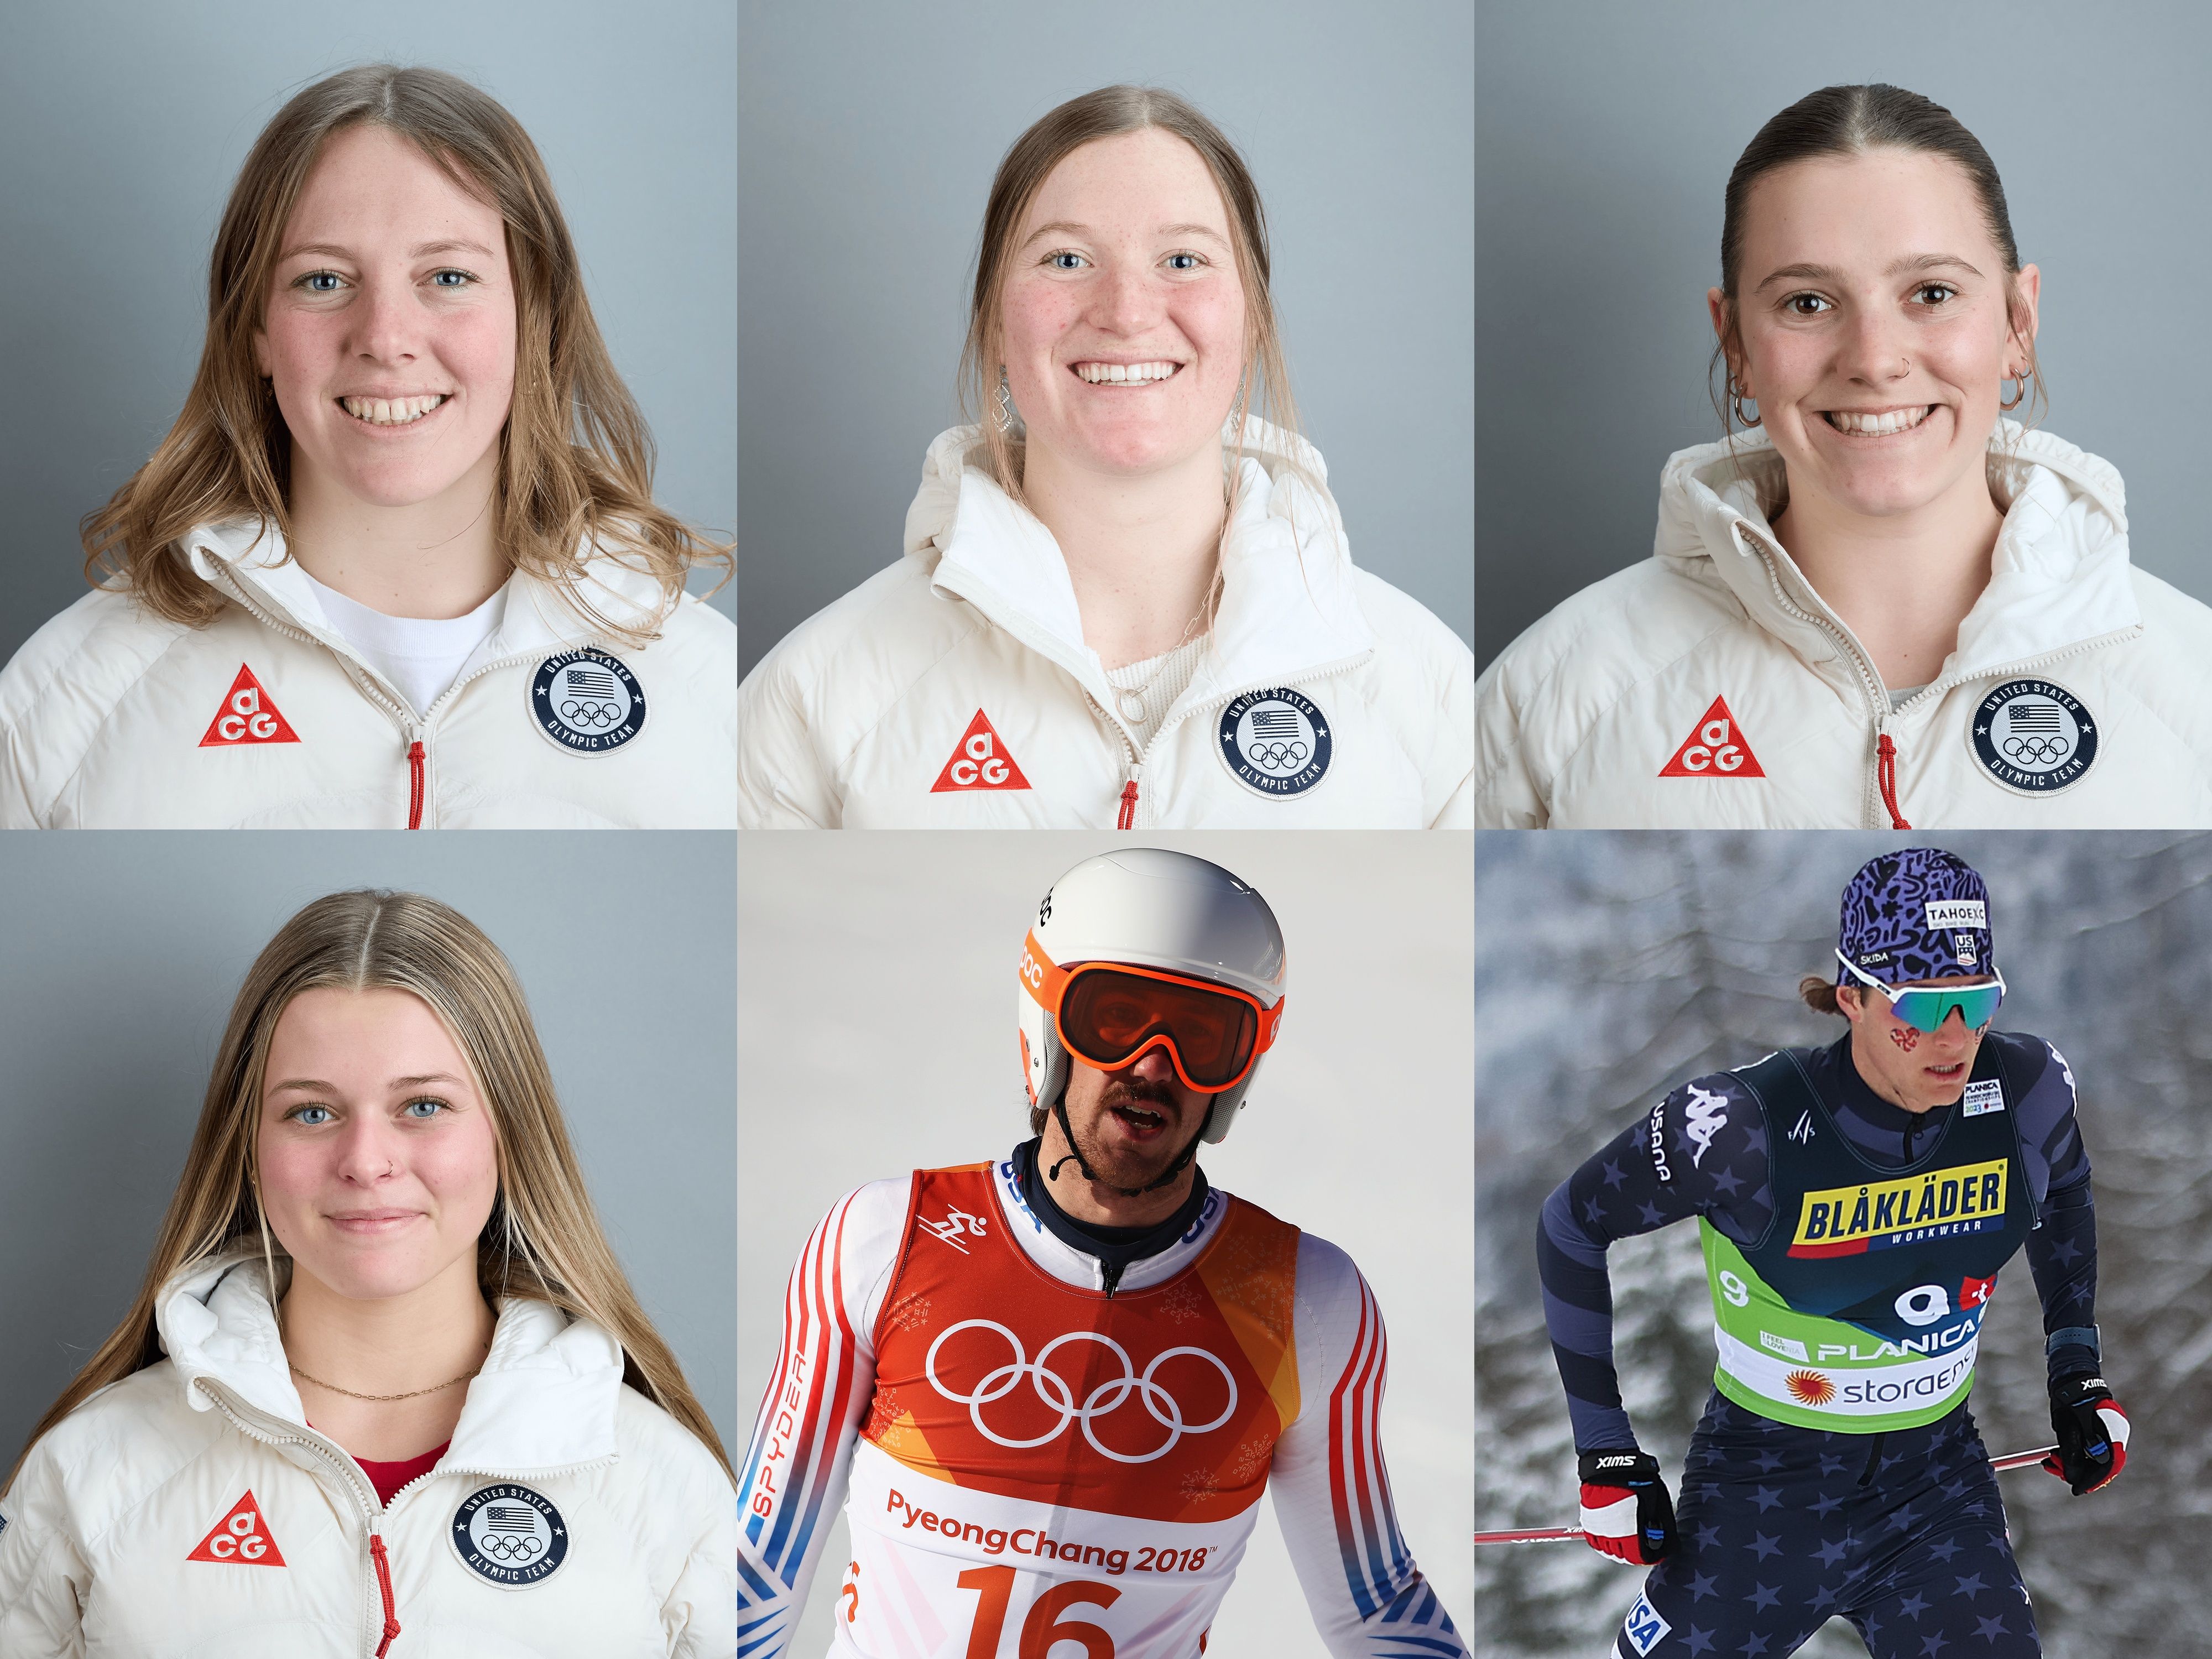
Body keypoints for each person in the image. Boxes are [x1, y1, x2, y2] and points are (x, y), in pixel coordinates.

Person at [737, 848, 1466, 1656]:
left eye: (1203, 1035)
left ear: (1239, 1072)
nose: (1155, 1065)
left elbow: (1377, 1607)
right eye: (1115, 1018)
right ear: (1046, 1027)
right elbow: (757, 1567)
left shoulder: (1304, 1302)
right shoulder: (887, 1240)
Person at [0, 65, 735, 828]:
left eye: (448, 276)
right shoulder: (63, 707)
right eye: (323, 281)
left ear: (536, 321)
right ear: (256, 330)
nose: (385, 339)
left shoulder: (711, 694)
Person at [0, 890, 734, 1655]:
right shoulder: (86, 1476)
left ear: (508, 1134)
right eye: (312, 1113)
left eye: (422, 1106)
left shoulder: (664, 1485)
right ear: (247, 1144)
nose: (365, 1162)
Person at [1473, 84, 2212, 828]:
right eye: (1808, 303)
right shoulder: (1555, 690)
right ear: (1735, 344)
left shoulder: (2191, 689)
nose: (1875, 360)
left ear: (2018, 323)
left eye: (1931, 292)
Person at [736, 85, 1472, 828]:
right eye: (1067, 259)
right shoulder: (819, 694)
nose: (1126, 311)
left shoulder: (1426, 685)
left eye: (1183, 259)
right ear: (994, 324)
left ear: (1252, 322)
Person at [1536, 848, 2128, 1658]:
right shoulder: (1739, 1127)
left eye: (1977, 1000)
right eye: (1921, 1010)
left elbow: (2065, 1191)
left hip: (1935, 1490)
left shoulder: (2027, 1088)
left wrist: (2077, 1370)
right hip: (1765, 1494)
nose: (1954, 1040)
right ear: (1851, 996)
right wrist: (1605, 1450)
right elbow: (1571, 1225)